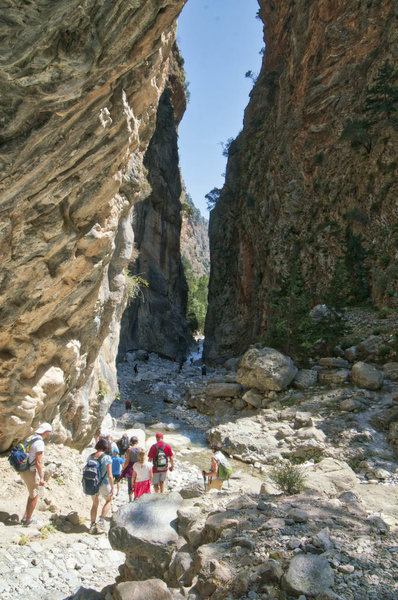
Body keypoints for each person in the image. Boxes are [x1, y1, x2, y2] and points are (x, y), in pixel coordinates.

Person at [19, 422, 52, 526]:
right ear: (46, 432)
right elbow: (38, 462)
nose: (48, 435)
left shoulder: (31, 437)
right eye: (48, 433)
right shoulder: (39, 442)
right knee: (35, 495)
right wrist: (42, 477)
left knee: (32, 494)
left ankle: (26, 515)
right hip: (30, 470)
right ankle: (27, 520)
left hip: (23, 468)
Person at [88, 438, 113, 533]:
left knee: (94, 504)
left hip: (92, 483)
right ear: (106, 447)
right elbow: (110, 475)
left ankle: (92, 525)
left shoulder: (90, 457)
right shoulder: (107, 458)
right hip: (104, 483)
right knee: (109, 500)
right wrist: (112, 487)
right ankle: (101, 520)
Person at [121, 436, 141, 502]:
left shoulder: (129, 449)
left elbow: (127, 460)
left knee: (130, 484)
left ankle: (130, 500)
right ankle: (136, 498)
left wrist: (123, 468)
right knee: (137, 483)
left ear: (131, 442)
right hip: (138, 467)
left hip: (131, 468)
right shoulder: (140, 449)